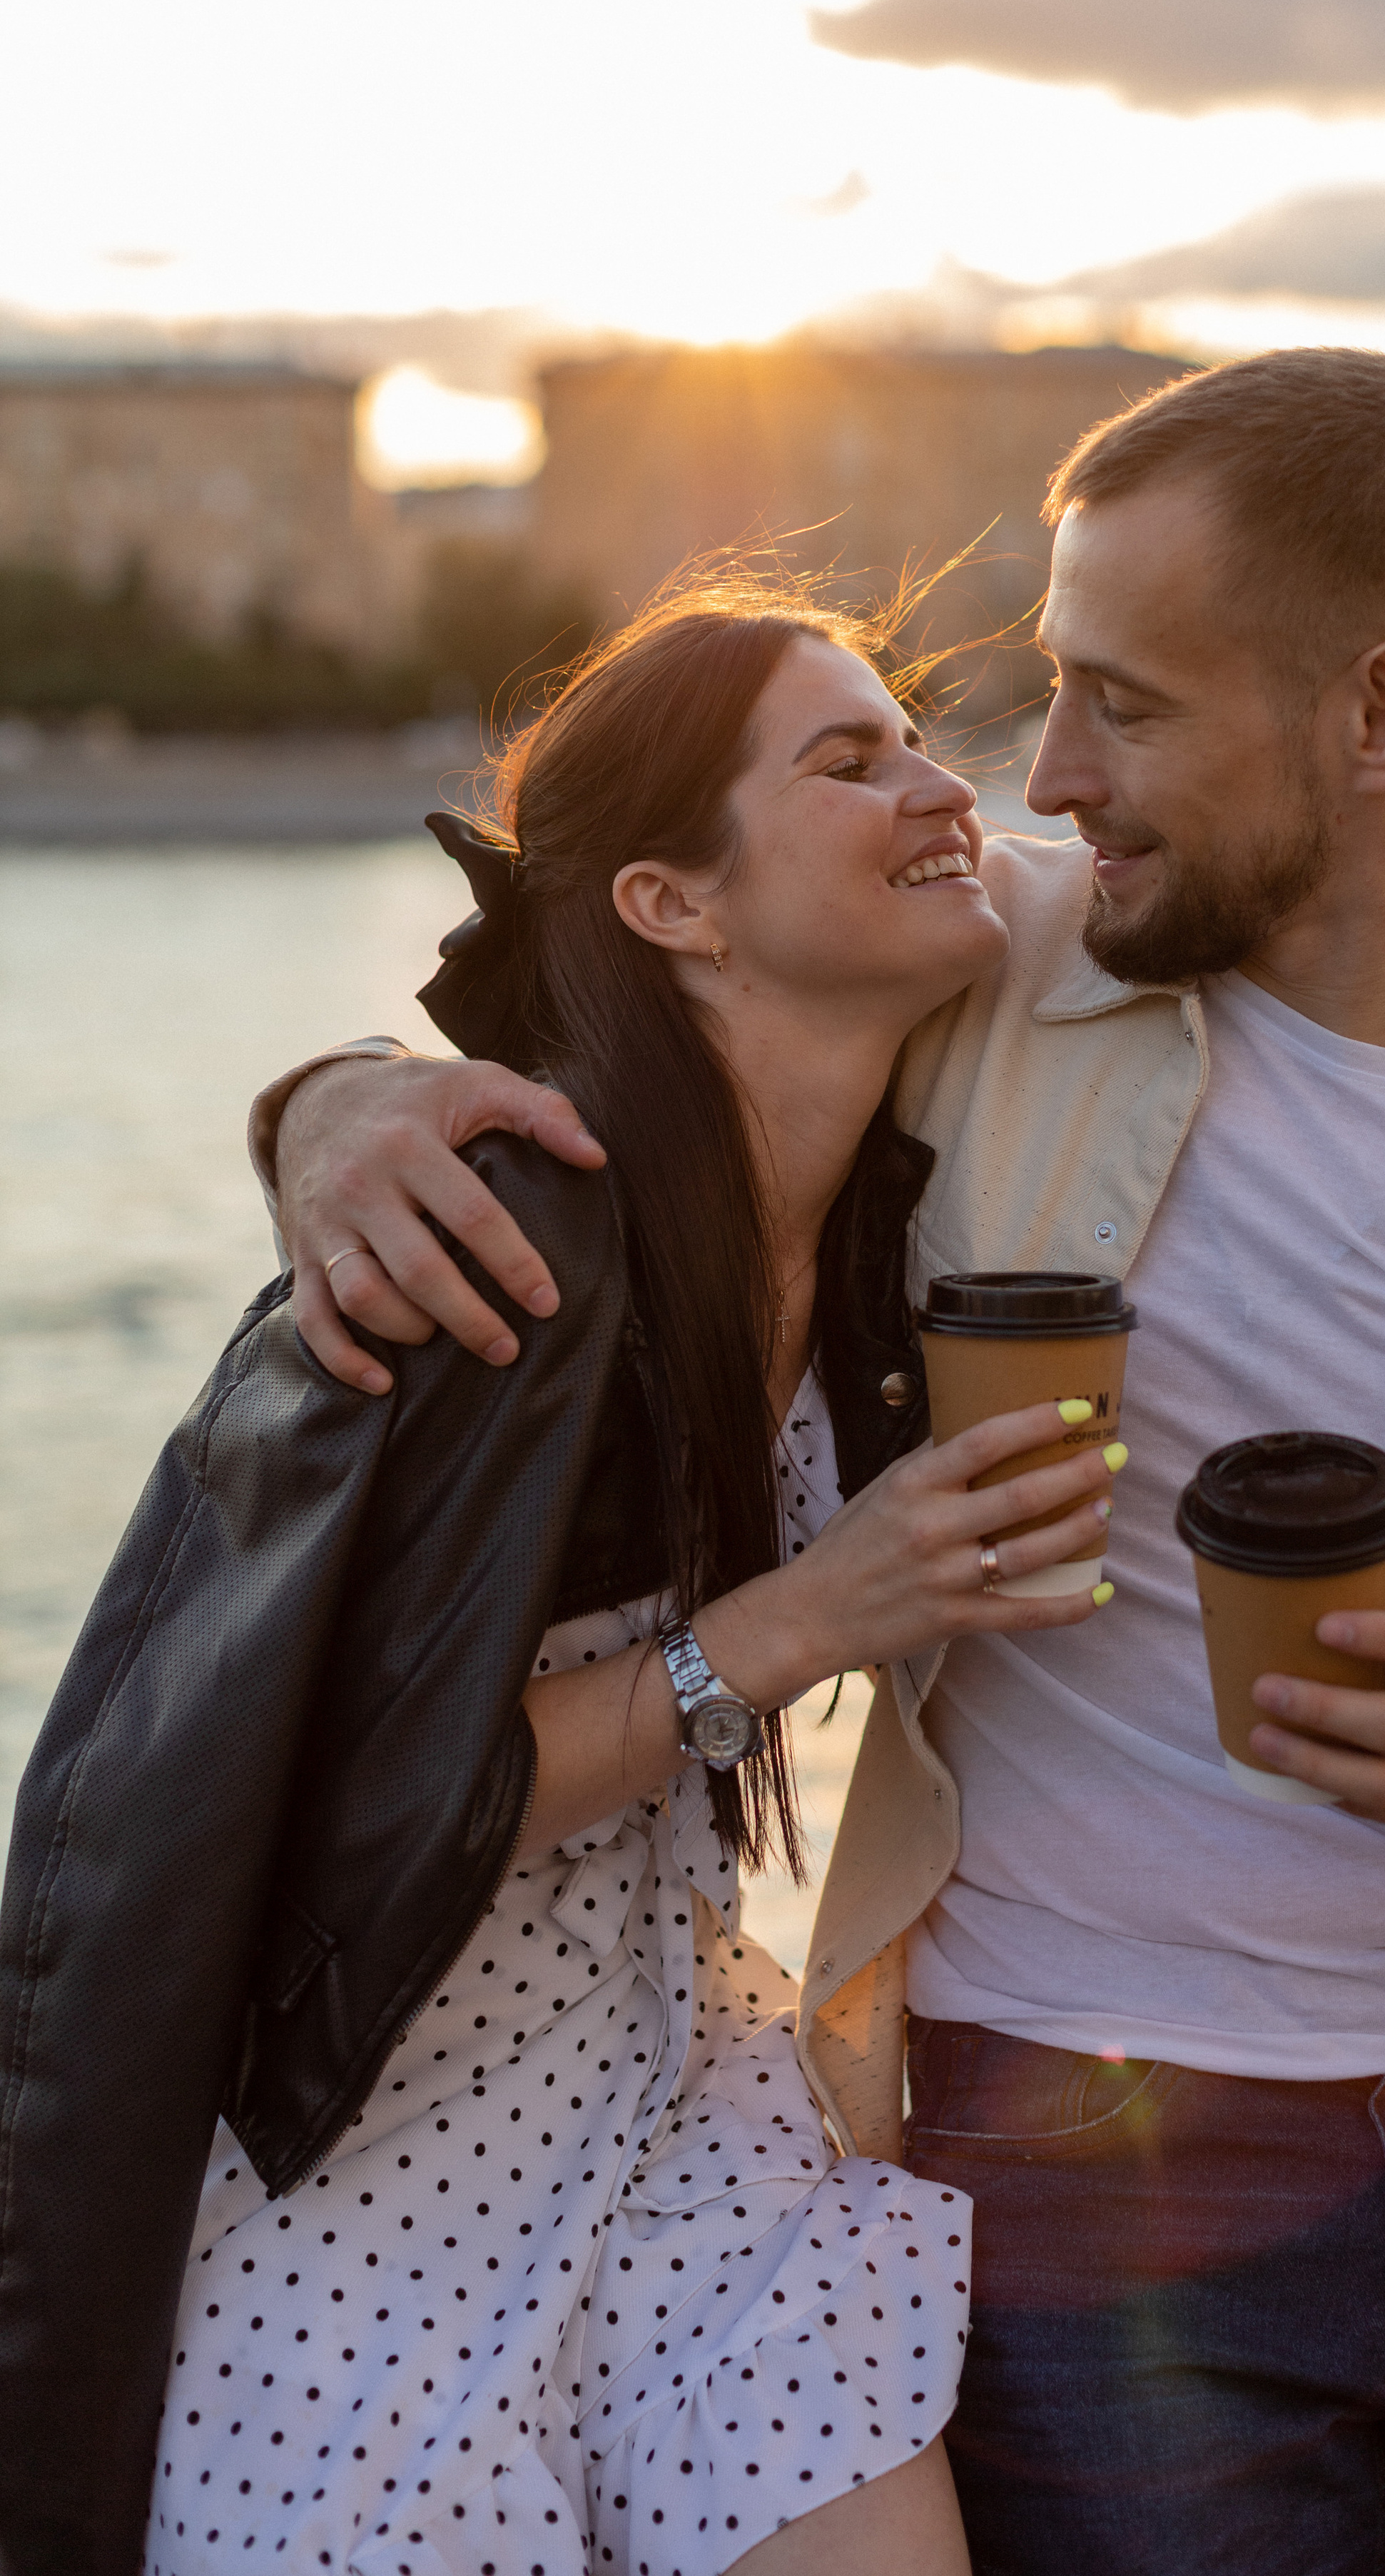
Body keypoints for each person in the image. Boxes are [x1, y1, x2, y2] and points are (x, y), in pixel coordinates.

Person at [245, 352, 1385, 2573]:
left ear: (1382, 717)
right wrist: (327, 1107)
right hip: (1088, 2149)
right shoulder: (981, 972)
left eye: (1126, 705)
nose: (1044, 775)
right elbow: (593, 992)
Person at [0, 586, 1132, 2576]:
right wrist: (812, 1618)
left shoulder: (876, 1233)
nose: (939, 790)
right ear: (675, 909)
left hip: (709, 2143)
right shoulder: (493, 1246)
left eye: (919, 740)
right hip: (377, 2183)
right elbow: (340, 1815)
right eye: (845, 760)